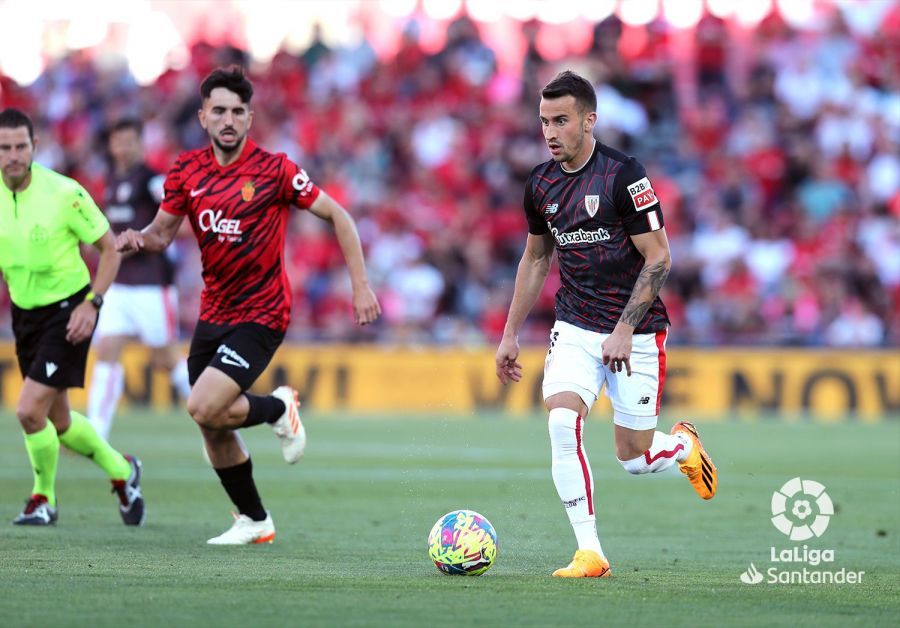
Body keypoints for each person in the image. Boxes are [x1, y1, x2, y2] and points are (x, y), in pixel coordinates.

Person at [116, 66, 381, 545]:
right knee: (210, 422)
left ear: (250, 117)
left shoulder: (275, 169)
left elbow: (337, 214)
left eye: (237, 111)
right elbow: (161, 233)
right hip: (212, 313)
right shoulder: (185, 172)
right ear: (202, 117)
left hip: (262, 313)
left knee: (202, 404)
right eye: (219, 110)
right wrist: (139, 239)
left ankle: (279, 407)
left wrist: (360, 285)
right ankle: (254, 520)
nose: (228, 119)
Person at [494, 71, 718, 578]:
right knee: (560, 422)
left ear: (589, 120)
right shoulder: (540, 183)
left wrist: (623, 327)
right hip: (573, 324)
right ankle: (589, 552)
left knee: (633, 458)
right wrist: (509, 333)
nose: (550, 131)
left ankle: (681, 445)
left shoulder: (624, 176)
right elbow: (534, 260)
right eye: (544, 121)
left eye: (562, 120)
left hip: (634, 333)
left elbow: (658, 258)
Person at [0, 108, 145, 526]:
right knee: (58, 421)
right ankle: (123, 470)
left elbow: (111, 248)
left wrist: (92, 303)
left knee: (29, 411)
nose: (13, 155)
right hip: (24, 313)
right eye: (5, 147)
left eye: (20, 146)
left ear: (34, 148)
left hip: (68, 312)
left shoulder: (64, 193)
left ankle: (43, 498)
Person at [87, 118, 192, 440]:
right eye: (118, 141)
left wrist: (142, 241)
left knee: (164, 359)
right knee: (107, 351)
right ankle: (96, 434)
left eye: (130, 141)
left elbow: (180, 220)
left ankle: (213, 413)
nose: (123, 147)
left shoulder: (152, 180)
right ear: (111, 146)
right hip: (118, 284)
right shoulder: (110, 180)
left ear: (140, 144)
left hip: (152, 285)